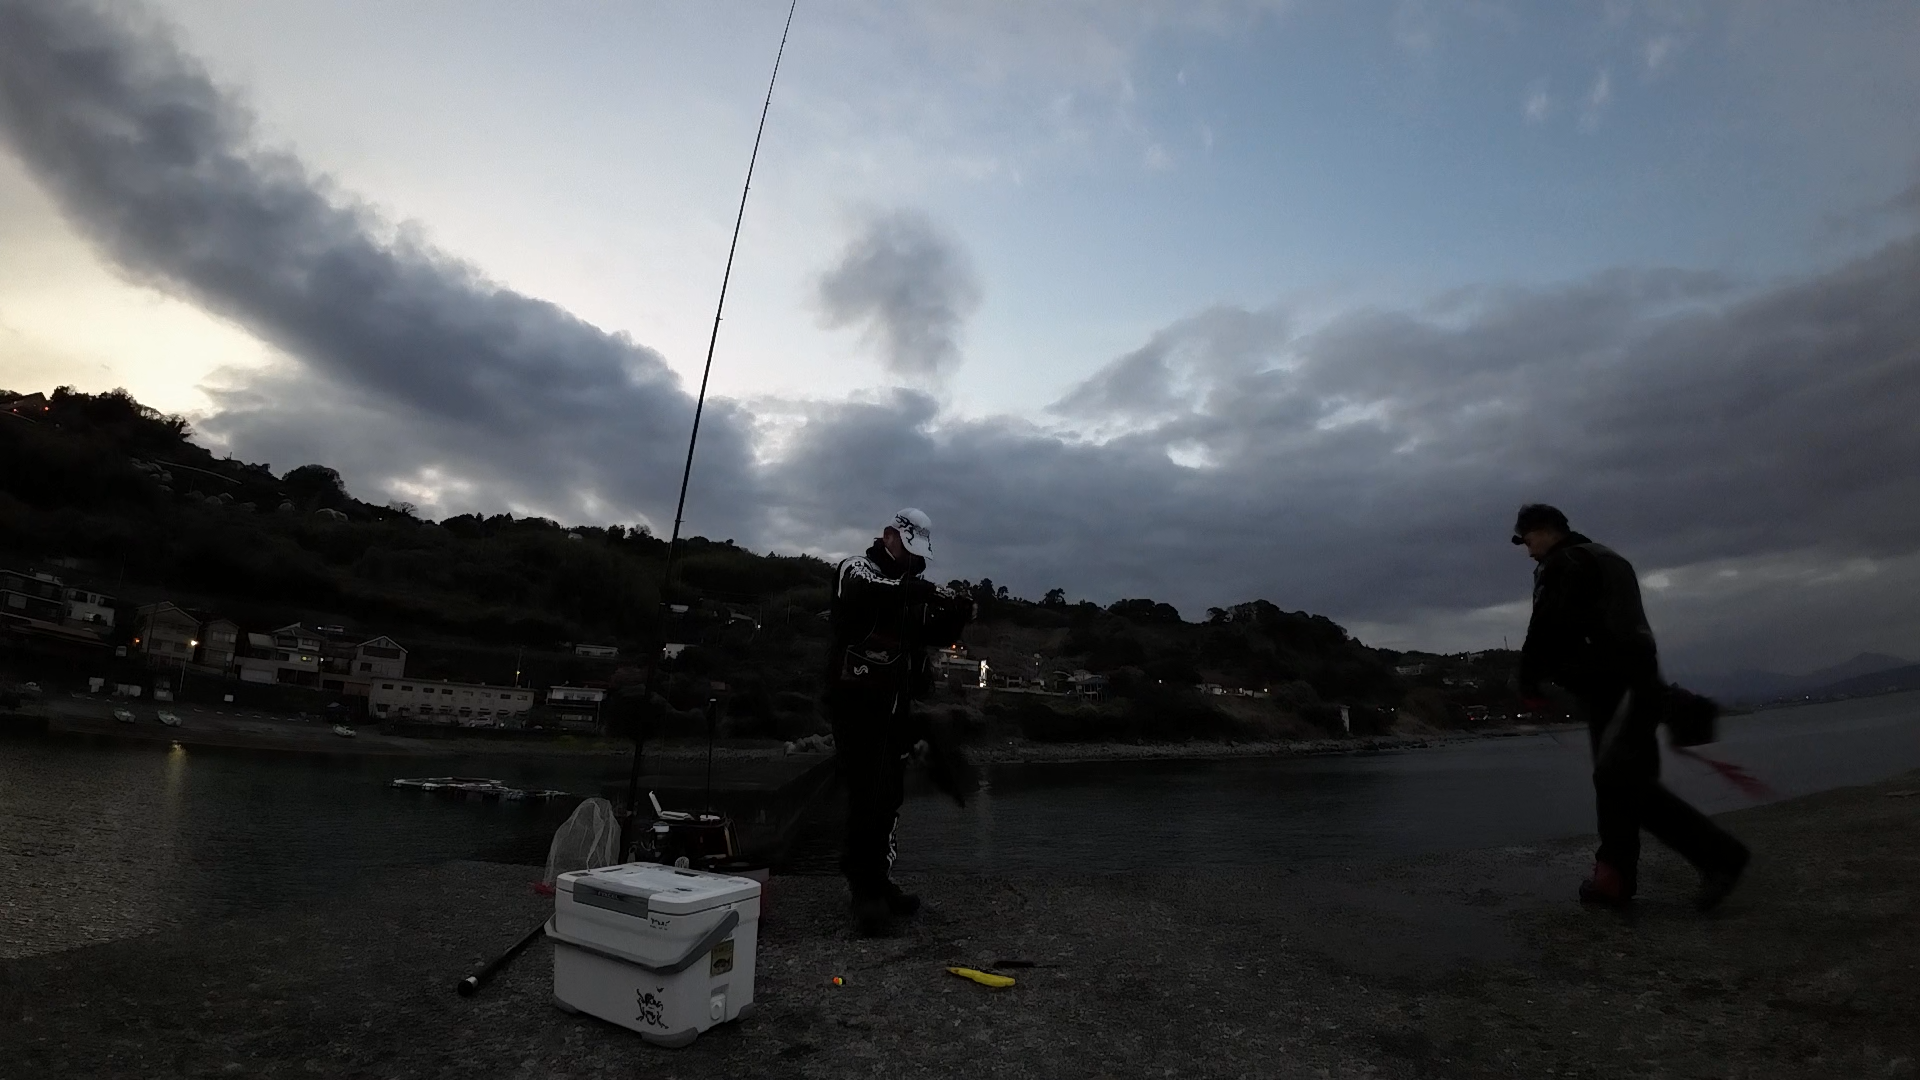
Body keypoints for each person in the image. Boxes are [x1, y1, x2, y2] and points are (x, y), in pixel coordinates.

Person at [1512, 503, 1750, 911]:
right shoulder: (1608, 558)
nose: (1527, 550)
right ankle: (1615, 880)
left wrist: (1529, 679)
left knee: (1623, 783)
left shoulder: (1564, 563)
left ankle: (1720, 858)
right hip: (1636, 681)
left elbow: (1549, 624)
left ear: (1547, 530)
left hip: (1613, 685)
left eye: (1527, 539)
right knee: (1619, 782)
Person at [823, 508, 975, 936]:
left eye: (917, 552)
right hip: (855, 703)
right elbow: (865, 592)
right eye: (907, 547)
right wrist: (925, 590)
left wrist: (959, 612)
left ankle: (880, 881)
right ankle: (863, 892)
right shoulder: (856, 568)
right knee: (866, 793)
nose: (913, 558)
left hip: (895, 706)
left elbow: (934, 632)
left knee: (889, 794)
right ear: (889, 535)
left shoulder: (911, 592)